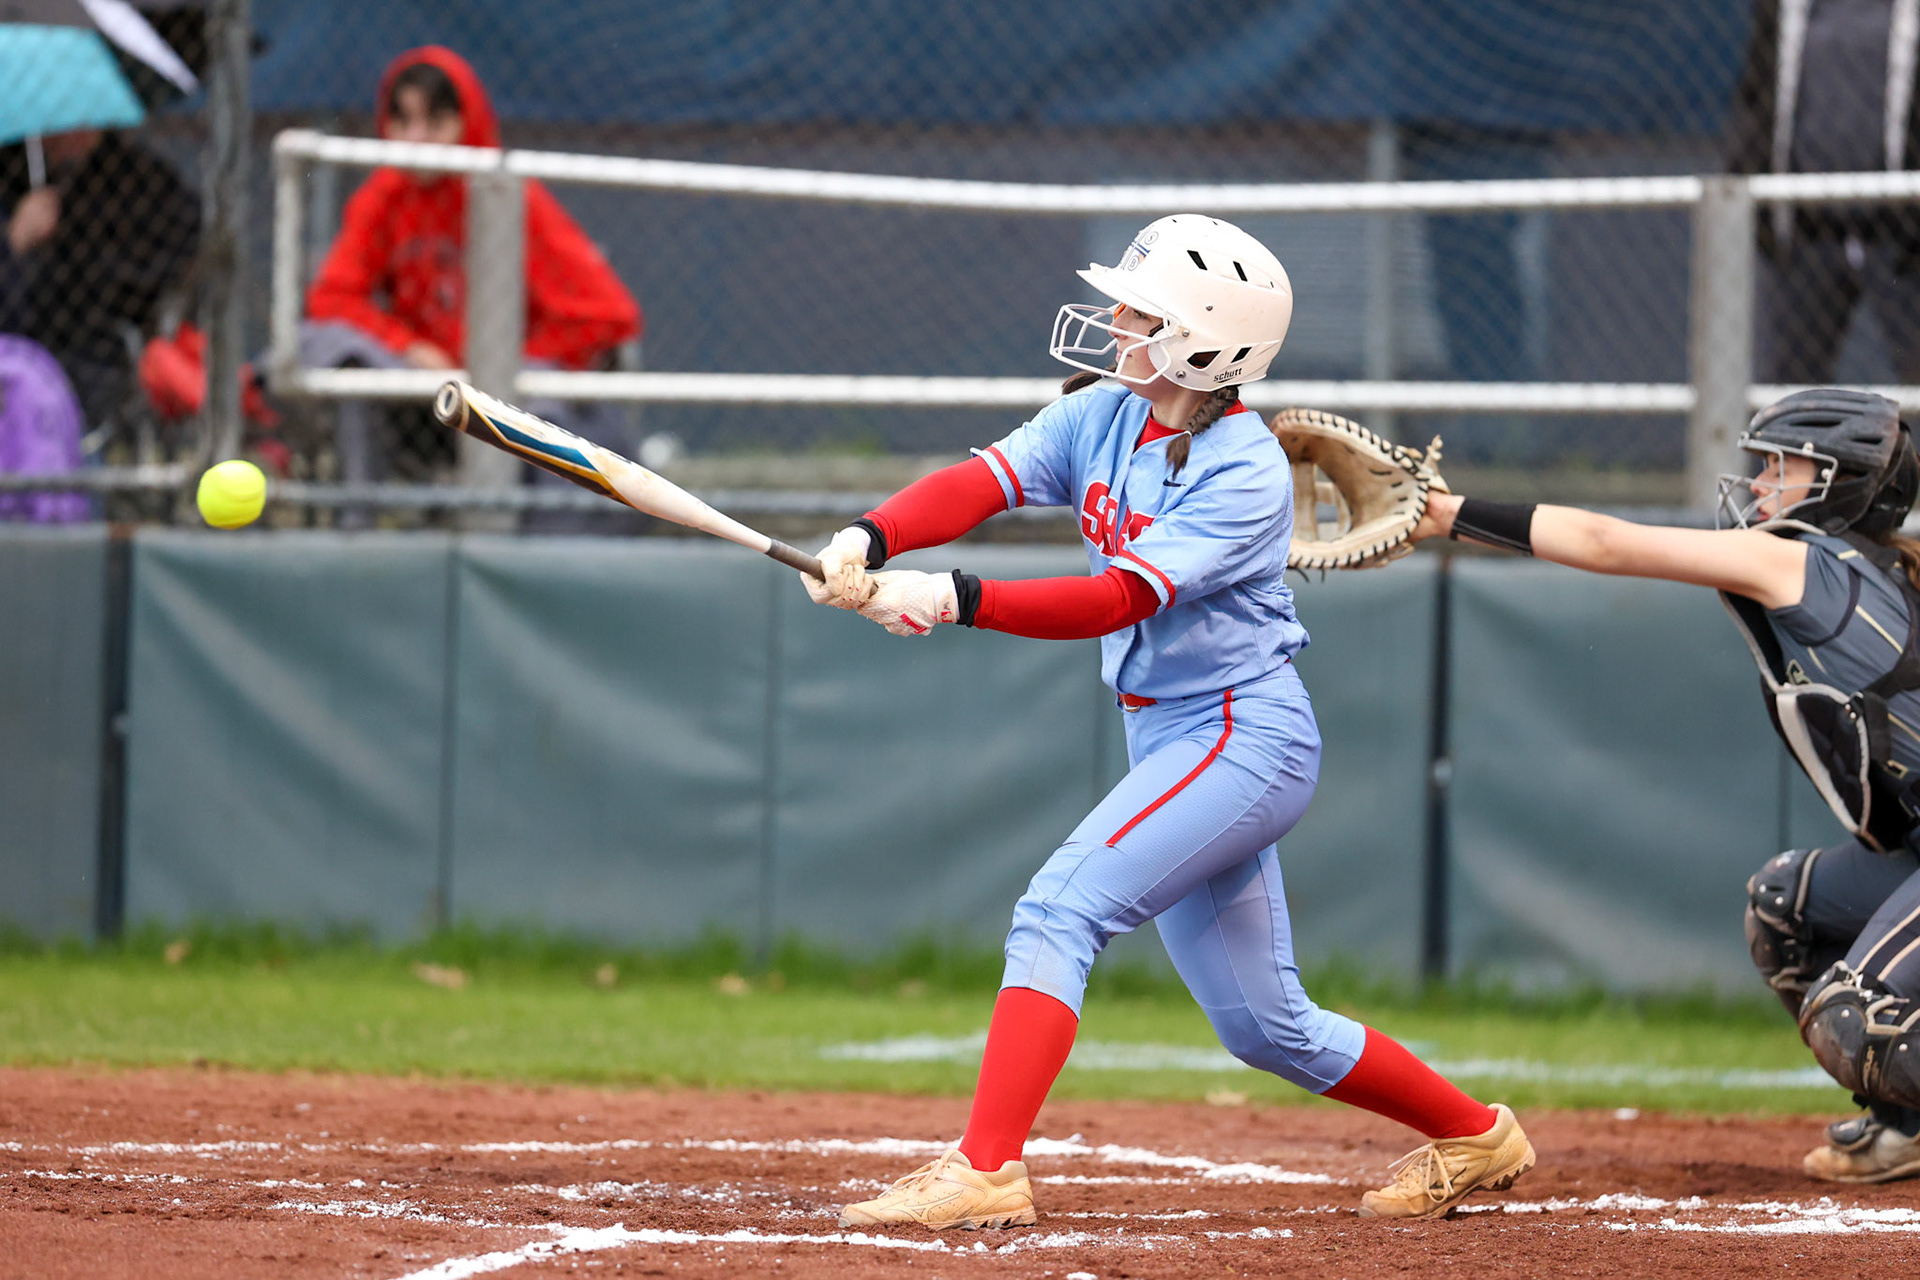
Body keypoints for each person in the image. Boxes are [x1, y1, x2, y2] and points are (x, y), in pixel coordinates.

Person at [800, 215, 1535, 1228]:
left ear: (1204, 341)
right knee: (1265, 1025)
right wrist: (870, 533)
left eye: (1142, 312)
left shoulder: (1245, 470)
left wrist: (954, 598)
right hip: (1174, 734)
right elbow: (979, 483)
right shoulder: (1102, 414)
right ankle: (1477, 1131)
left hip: (1242, 734)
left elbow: (1114, 601)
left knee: (1059, 910)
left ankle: (986, 1167)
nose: (1115, 320)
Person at [1409, 387, 1920, 1184]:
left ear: (1838, 486)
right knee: (1783, 906)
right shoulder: (1875, 569)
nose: (1758, 487)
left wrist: (1447, 515)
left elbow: (1606, 541)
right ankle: (1906, 1125)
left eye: (1782, 469)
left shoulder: (1803, 556)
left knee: (1852, 1017)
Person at [302, 46, 641, 524]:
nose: (415, 140)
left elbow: (606, 317)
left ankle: (534, 562)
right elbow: (332, 298)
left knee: (548, 411)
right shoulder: (384, 195)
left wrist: (499, 369)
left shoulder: (506, 194)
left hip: (508, 395)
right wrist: (412, 348)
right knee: (336, 352)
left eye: (435, 123)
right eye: (402, 122)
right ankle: (356, 533)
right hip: (427, 398)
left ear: (468, 123)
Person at [1727, 0, 1920, 384]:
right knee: (1782, 405)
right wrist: (1757, 196)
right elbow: (1756, 90)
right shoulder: (1785, 7)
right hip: (1804, 234)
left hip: (1905, 239)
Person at [0, 127, 199, 431]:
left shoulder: (137, 178)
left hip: (97, 352)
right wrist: (16, 240)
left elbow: (183, 240)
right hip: (17, 347)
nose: (65, 137)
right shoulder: (16, 177)